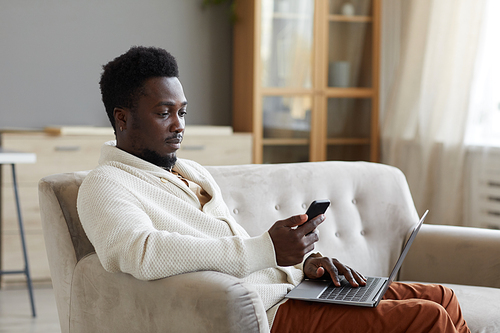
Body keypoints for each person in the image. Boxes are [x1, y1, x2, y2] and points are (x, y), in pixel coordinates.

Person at [77, 46, 470, 333]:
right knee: (429, 318)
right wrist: (266, 249)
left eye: (182, 112)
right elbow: (140, 252)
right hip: (275, 313)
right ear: (122, 118)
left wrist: (301, 265)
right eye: (164, 114)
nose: (179, 125)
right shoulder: (105, 184)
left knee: (443, 298)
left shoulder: (191, 171)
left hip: (294, 287)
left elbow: (232, 245)